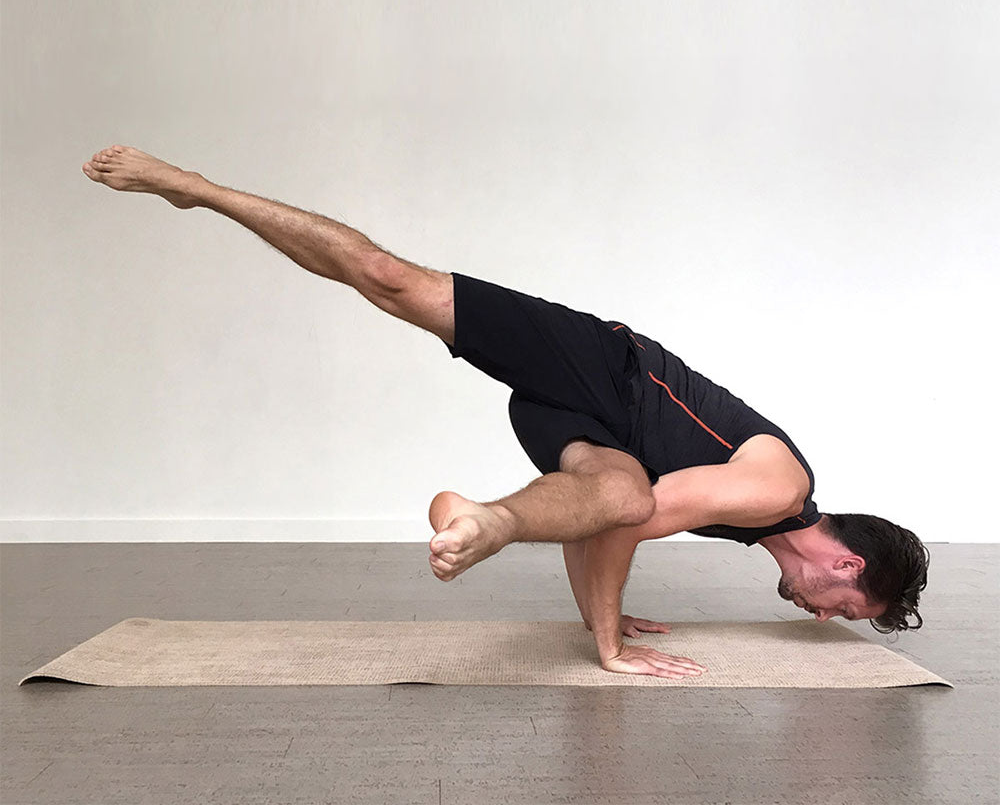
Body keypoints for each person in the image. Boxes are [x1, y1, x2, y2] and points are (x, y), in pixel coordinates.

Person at [82, 145, 930, 679]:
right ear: (848, 565)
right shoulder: (779, 491)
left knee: (617, 493)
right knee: (389, 278)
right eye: (844, 608)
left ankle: (484, 519)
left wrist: (600, 614)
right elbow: (625, 530)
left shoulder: (755, 526)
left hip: (600, 436)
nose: (822, 617)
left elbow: (606, 520)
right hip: (605, 369)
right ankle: (197, 189)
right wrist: (608, 643)